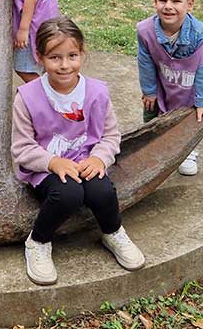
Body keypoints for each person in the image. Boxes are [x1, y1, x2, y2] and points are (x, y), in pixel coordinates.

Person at [12, 16, 145, 286]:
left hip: (86, 160)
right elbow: (22, 147)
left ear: (82, 53)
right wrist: (53, 163)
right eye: (55, 57)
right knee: (68, 194)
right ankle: (38, 241)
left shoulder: (97, 92)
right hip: (46, 168)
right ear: (39, 57)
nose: (64, 65)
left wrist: (99, 158)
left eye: (72, 56)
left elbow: (110, 135)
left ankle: (112, 231)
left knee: (102, 191)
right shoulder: (27, 97)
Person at [137, 0, 203, 177]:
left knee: (190, 115)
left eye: (176, 1)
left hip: (188, 84)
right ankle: (153, 145)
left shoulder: (198, 33)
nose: (168, 6)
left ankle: (187, 151)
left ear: (189, 5)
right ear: (155, 1)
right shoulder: (145, 31)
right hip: (162, 80)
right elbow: (145, 63)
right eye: (163, 0)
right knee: (153, 111)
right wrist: (149, 91)